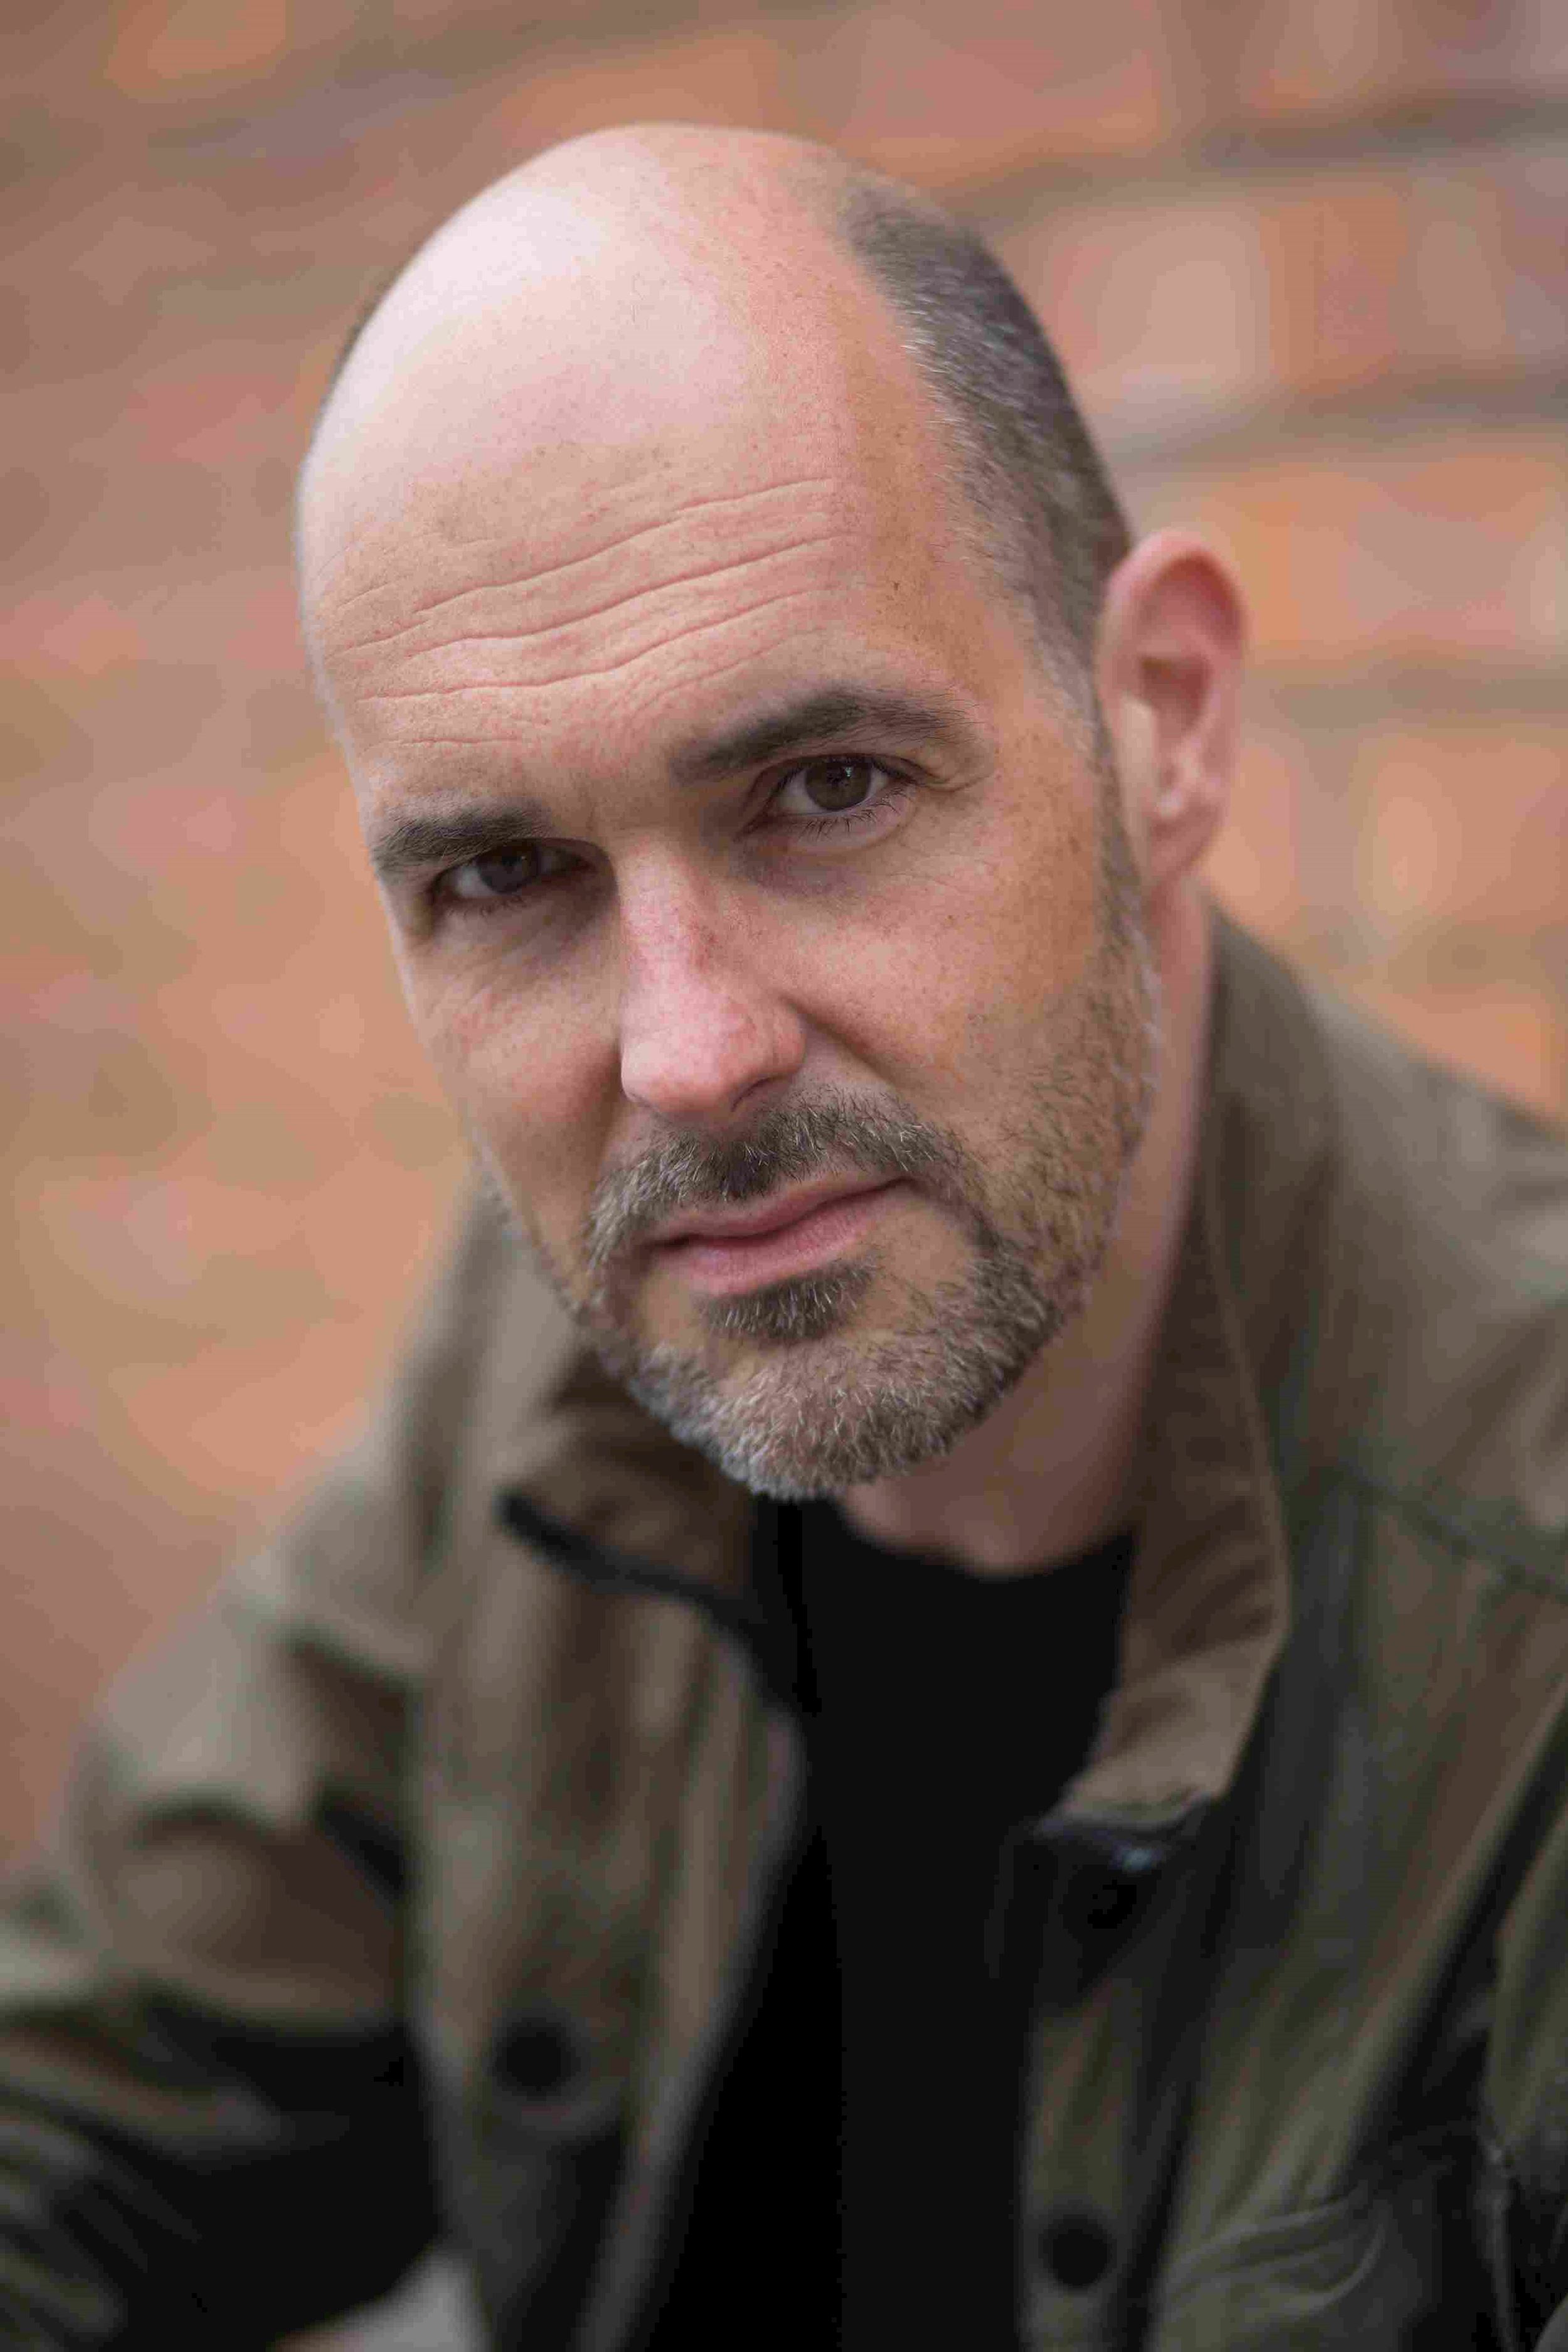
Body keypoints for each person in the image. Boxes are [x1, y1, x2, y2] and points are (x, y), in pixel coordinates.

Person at [3, 120, 1566, 2352]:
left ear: (1163, 728)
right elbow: (79, 2119)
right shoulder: (557, 1350)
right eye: (507, 879)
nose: (688, 1059)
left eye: (825, 790)